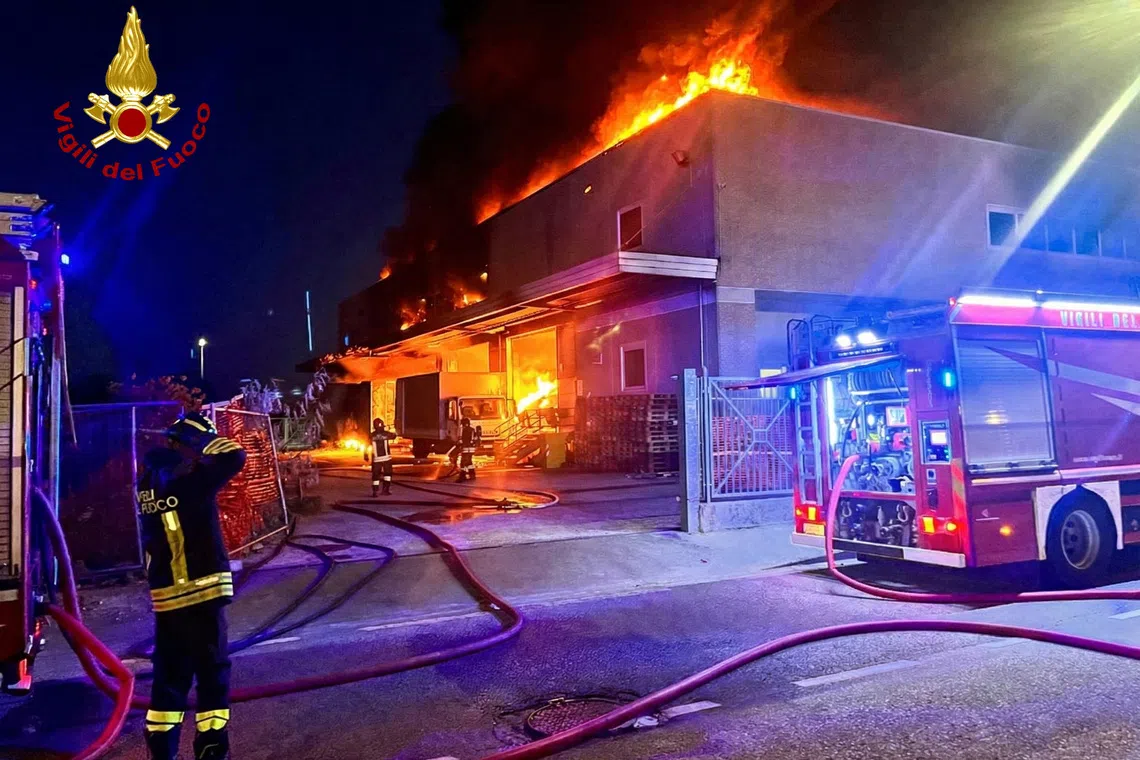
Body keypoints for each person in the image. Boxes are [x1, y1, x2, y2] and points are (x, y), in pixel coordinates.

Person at [137, 412, 246, 760]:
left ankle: (162, 753)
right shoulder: (193, 478)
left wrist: (182, 444)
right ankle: (212, 751)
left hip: (167, 597)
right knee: (213, 672)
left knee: (170, 676)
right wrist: (202, 439)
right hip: (203, 590)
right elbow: (234, 455)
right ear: (186, 444)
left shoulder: (147, 483)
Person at [366, 418, 398, 496]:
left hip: (376, 460)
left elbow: (366, 446)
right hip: (386, 458)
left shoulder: (371, 435)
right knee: (387, 474)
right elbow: (394, 435)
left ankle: (375, 491)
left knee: (376, 476)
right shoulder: (386, 434)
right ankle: (385, 490)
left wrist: (366, 455)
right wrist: (395, 427)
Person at [457, 417, 481, 482]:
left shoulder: (465, 430)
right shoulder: (472, 429)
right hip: (471, 449)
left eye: (462, 424)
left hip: (466, 449)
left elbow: (464, 440)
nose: (462, 425)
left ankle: (462, 476)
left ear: (464, 423)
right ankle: (472, 475)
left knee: (463, 463)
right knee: (469, 462)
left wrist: (459, 445)